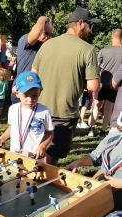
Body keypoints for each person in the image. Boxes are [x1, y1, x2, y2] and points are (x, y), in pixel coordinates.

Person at [31, 7, 101, 166]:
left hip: (39, 109)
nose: (90, 31)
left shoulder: (47, 45)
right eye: (90, 25)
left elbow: (33, 75)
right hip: (64, 112)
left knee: (35, 151)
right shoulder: (88, 49)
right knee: (51, 158)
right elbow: (93, 85)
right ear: (81, 23)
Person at [66, 110, 122, 217]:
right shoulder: (113, 137)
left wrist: (120, 183)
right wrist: (77, 162)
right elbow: (95, 157)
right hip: (102, 187)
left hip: (119, 196)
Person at [0, 72, 54, 160]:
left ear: (40, 92)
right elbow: (12, 127)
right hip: (14, 156)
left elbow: (49, 133)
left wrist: (42, 146)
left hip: (34, 158)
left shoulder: (44, 111)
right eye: (26, 95)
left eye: (34, 95)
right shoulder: (13, 109)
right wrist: (2, 138)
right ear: (17, 93)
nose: (30, 100)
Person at [87, 29, 122, 139]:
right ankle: (103, 132)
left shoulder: (103, 50)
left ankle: (91, 129)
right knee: (108, 109)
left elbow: (96, 68)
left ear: (112, 37)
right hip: (115, 85)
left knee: (96, 107)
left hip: (101, 84)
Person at [11, 16, 53, 104]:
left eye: (50, 34)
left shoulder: (44, 48)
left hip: (34, 93)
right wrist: (43, 18)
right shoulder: (26, 40)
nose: (48, 37)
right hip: (21, 91)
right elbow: (36, 32)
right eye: (45, 33)